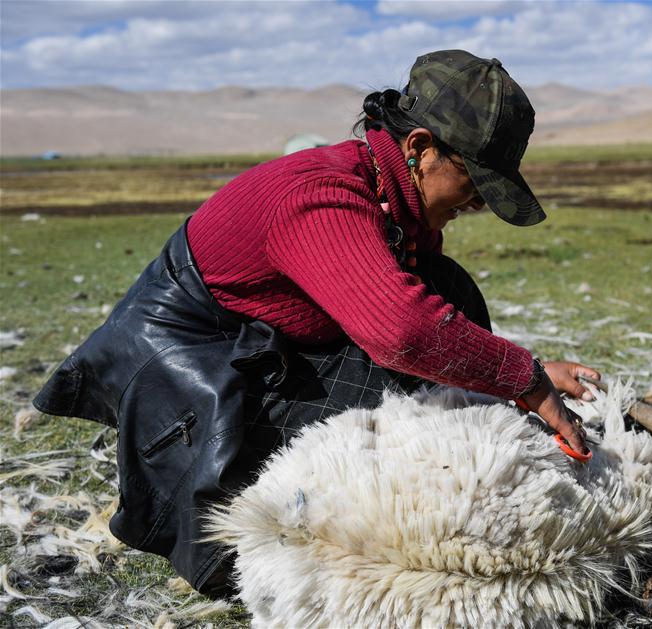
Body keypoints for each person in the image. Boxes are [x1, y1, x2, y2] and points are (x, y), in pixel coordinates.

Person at [33, 49, 598, 596]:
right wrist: (523, 377)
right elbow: (401, 331)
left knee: (445, 292)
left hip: (265, 353)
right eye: (474, 183)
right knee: (373, 455)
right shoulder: (319, 196)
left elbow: (425, 315)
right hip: (192, 391)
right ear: (420, 148)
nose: (477, 204)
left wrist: (514, 375)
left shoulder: (391, 196)